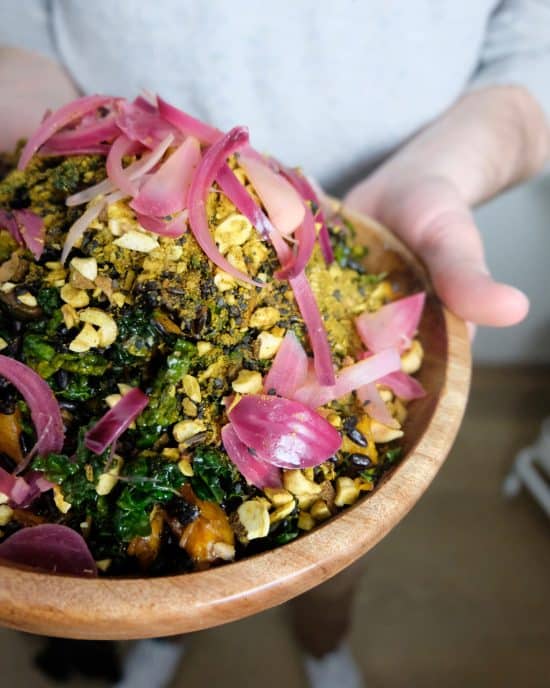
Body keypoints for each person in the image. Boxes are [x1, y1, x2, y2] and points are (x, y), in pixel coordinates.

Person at [1, 2, 549, 687]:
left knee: (333, 562)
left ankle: (325, 645)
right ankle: (165, 635)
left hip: (361, 225)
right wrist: (37, 132)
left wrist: (450, 168)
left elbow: (533, 49)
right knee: (173, 557)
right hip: (78, 162)